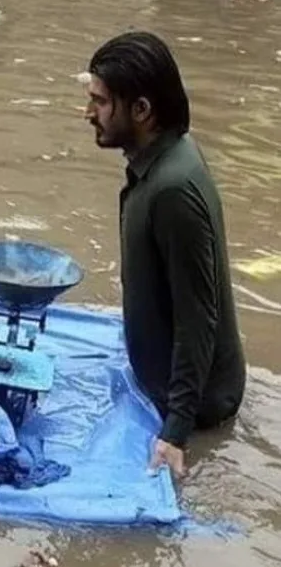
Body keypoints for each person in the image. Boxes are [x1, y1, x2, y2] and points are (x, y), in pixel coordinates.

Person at [83, 30, 246, 479]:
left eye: (99, 102)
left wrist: (174, 433)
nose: (87, 113)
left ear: (141, 110)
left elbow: (199, 319)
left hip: (195, 406)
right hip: (163, 381)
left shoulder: (174, 189)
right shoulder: (162, 160)